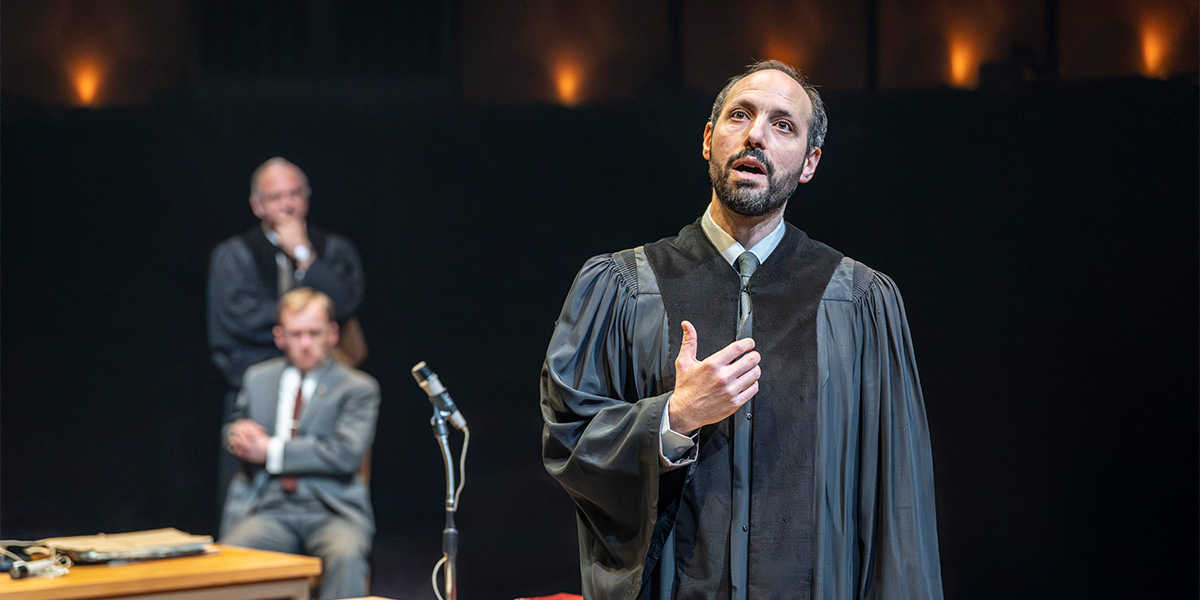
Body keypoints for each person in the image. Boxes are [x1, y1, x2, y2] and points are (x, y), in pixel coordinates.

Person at [540, 60, 943, 599]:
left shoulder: (859, 303)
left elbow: (900, 509)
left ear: (809, 163)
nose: (756, 134)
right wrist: (673, 418)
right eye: (740, 115)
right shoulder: (622, 287)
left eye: (783, 125)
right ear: (708, 140)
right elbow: (569, 441)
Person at [221, 287, 378, 600]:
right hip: (270, 506)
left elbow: (344, 454)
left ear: (332, 333)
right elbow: (237, 424)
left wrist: (270, 451)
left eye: (314, 333)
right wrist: (238, 437)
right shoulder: (257, 378)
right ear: (280, 336)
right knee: (230, 557)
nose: (305, 344)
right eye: (296, 334)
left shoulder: (358, 388)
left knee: (346, 555)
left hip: (331, 509)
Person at [207, 156, 366, 394]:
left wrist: (305, 255)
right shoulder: (234, 254)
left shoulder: (335, 248)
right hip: (256, 385)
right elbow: (240, 319)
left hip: (327, 387)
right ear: (257, 205)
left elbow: (344, 305)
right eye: (276, 197)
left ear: (307, 196)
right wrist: (307, 323)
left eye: (295, 194)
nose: (287, 204)